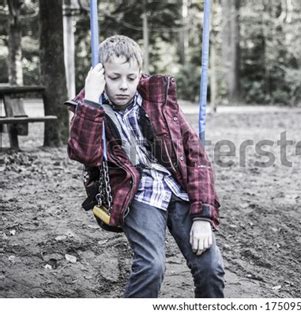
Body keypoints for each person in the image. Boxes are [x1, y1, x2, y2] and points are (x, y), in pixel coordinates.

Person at [66, 35, 225, 298]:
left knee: (210, 265)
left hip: (178, 190)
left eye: (131, 77)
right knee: (151, 266)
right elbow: (84, 153)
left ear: (140, 74)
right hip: (137, 194)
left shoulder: (158, 103)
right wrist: (92, 100)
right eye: (114, 77)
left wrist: (203, 216)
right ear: (101, 75)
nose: (123, 86)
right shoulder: (92, 109)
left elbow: (197, 158)